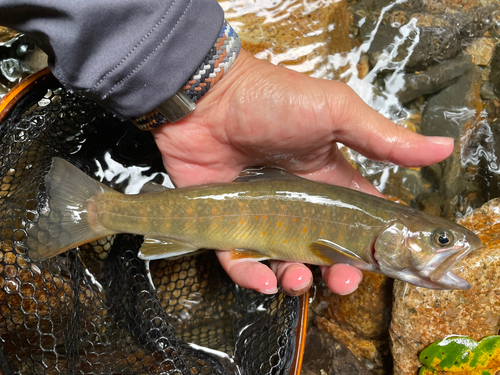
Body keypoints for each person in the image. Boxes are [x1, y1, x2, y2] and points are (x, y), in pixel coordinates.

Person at [0, 1, 454, 296]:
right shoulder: (359, 244)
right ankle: (98, 212)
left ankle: (102, 212)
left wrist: (206, 79)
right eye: (441, 240)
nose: (443, 247)